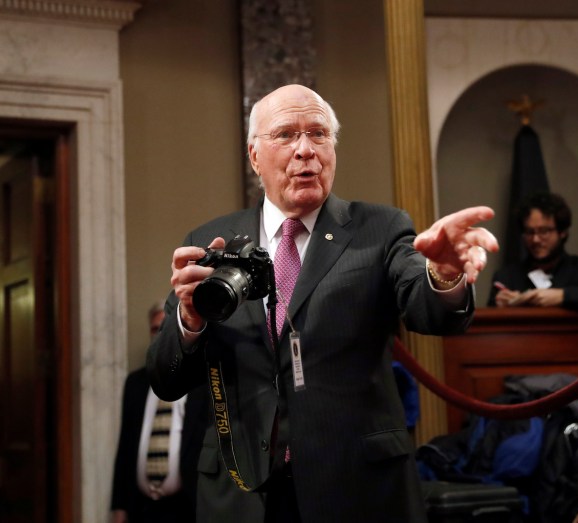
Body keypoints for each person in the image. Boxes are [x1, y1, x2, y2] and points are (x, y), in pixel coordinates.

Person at [146, 84, 499, 523]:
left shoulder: (380, 229)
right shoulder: (208, 241)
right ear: (255, 156)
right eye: (286, 135)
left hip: (357, 490)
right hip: (242, 493)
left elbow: (429, 308)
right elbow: (167, 378)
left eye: (318, 134)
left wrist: (444, 273)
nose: (305, 150)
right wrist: (189, 318)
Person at [110, 301, 208, 523]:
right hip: (142, 510)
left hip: (187, 508)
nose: (160, 333)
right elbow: (125, 447)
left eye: (166, 326)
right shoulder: (135, 383)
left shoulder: (201, 381)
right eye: (155, 328)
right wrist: (119, 507)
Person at [487, 192, 578, 316]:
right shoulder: (507, 277)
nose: (535, 239)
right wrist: (501, 306)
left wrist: (563, 296)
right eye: (529, 232)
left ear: (562, 232)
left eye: (544, 231)